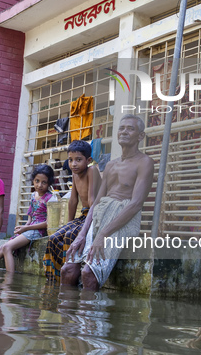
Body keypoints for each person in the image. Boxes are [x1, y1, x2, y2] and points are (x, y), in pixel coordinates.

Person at [61, 115, 155, 290]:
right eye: (122, 128)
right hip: (100, 215)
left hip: (123, 220)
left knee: (88, 272)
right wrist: (82, 234)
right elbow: (97, 201)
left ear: (140, 136)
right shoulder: (111, 165)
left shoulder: (145, 163)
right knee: (68, 269)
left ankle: (88, 316)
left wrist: (103, 234)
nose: (124, 132)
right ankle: (65, 316)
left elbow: (135, 204)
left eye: (130, 128)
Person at [0, 164, 55, 272]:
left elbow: (48, 223)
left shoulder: (50, 198)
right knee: (1, 248)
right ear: (33, 180)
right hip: (29, 229)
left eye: (44, 182)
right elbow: (30, 218)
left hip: (38, 231)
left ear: (49, 183)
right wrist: (23, 228)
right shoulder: (33, 195)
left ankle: (9, 281)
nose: (39, 185)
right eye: (37, 181)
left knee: (7, 248)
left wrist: (26, 229)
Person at [43, 140, 101, 281]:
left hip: (96, 215)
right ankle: (54, 278)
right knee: (54, 237)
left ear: (89, 160)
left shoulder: (92, 171)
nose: (73, 164)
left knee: (70, 236)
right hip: (83, 215)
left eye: (78, 160)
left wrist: (84, 229)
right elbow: (73, 200)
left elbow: (94, 201)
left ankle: (70, 274)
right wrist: (69, 223)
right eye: (70, 160)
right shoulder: (75, 175)